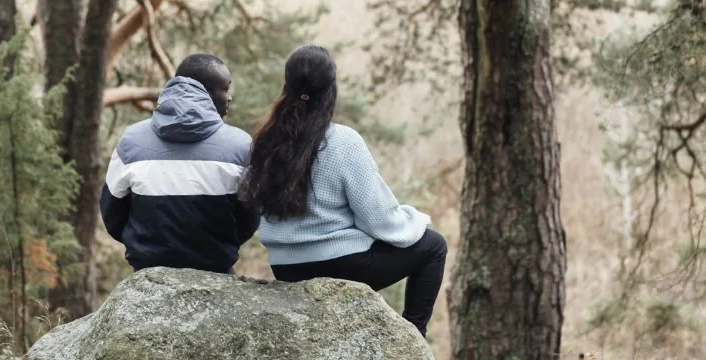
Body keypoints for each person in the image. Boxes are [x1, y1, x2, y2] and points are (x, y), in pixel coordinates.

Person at [240, 44, 447, 336]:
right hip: (342, 265)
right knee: (434, 246)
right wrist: (415, 220)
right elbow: (379, 220)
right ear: (331, 90)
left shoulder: (265, 141)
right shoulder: (343, 141)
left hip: (285, 267)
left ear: (286, 86)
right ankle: (413, 338)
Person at [100, 54, 259, 273]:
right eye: (226, 88)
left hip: (147, 275)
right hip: (216, 273)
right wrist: (216, 248)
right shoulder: (240, 145)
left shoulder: (131, 141)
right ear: (206, 93)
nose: (230, 97)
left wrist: (145, 247)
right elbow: (249, 217)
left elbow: (112, 214)